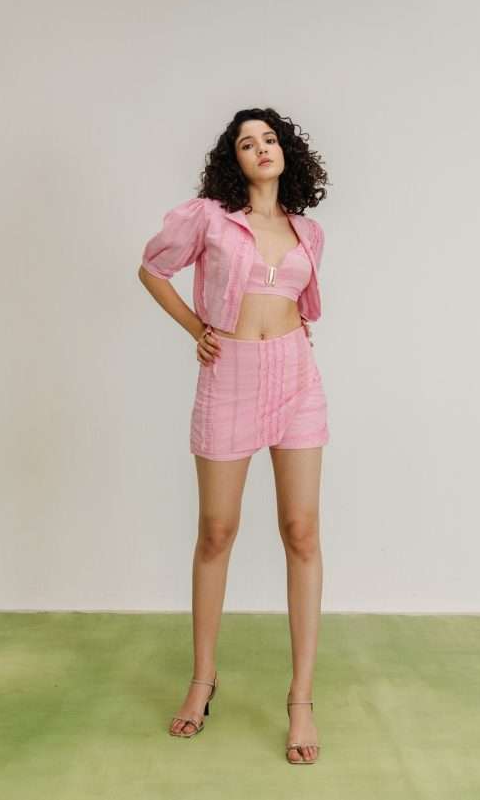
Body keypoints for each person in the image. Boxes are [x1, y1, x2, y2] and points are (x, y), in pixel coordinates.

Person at [138, 107, 330, 764]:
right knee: (217, 531)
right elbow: (152, 268)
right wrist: (199, 329)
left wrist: (290, 340)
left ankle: (300, 698)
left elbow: (301, 308)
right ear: (235, 160)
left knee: (301, 531)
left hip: (297, 379)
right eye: (248, 143)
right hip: (231, 378)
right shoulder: (210, 219)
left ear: (286, 151)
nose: (262, 148)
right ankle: (202, 679)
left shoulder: (308, 231)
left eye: (270, 139)